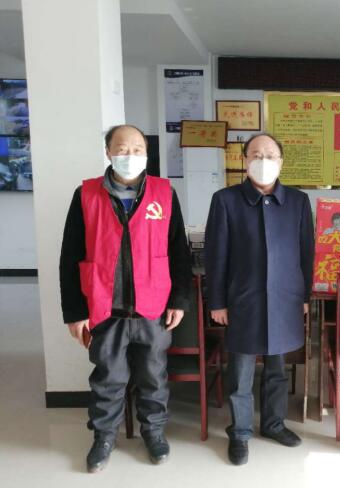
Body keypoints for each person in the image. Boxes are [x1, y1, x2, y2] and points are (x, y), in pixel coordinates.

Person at [59, 124, 192, 473]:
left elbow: (179, 251)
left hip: (153, 308)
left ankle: (154, 432)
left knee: (153, 376)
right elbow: (70, 255)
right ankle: (104, 437)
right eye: (121, 149)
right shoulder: (86, 195)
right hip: (105, 307)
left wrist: (179, 299)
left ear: (146, 154)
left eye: (137, 149)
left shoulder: (164, 193)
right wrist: (74, 312)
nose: (129, 155)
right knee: (108, 378)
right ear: (108, 152)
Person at [204, 132, 314, 466]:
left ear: (281, 161)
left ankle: (273, 424)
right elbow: (215, 255)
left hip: (285, 299)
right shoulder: (225, 200)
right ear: (244, 160)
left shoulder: (298, 201)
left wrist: (304, 295)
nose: (263, 161)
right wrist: (217, 301)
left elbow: (306, 252)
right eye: (255, 155)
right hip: (243, 300)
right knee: (240, 373)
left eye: (270, 155)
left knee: (278, 369)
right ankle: (239, 433)